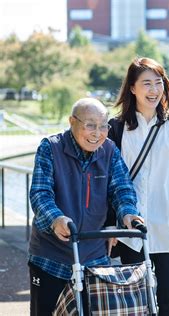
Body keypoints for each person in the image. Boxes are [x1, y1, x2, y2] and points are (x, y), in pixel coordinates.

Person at [28, 97, 142, 315]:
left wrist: (128, 213)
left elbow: (122, 188)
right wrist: (56, 219)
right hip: (50, 255)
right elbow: (40, 194)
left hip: (94, 256)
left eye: (102, 126)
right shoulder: (50, 148)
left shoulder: (109, 150)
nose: (97, 133)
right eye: (90, 125)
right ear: (72, 121)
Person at [108, 57, 169, 316]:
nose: (153, 90)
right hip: (131, 229)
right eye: (146, 83)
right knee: (134, 301)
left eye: (158, 83)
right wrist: (110, 224)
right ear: (132, 88)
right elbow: (107, 180)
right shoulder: (116, 129)